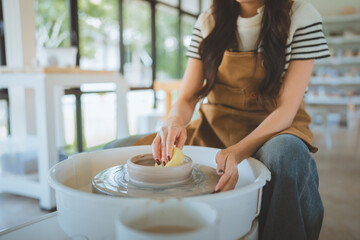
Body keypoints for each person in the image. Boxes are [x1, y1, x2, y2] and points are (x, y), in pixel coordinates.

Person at [132, 0, 330, 239]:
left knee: (287, 154)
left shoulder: (301, 16)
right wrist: (173, 121)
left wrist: (237, 151)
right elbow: (186, 97)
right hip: (214, 128)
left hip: (276, 131)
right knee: (120, 150)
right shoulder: (209, 20)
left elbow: (286, 110)